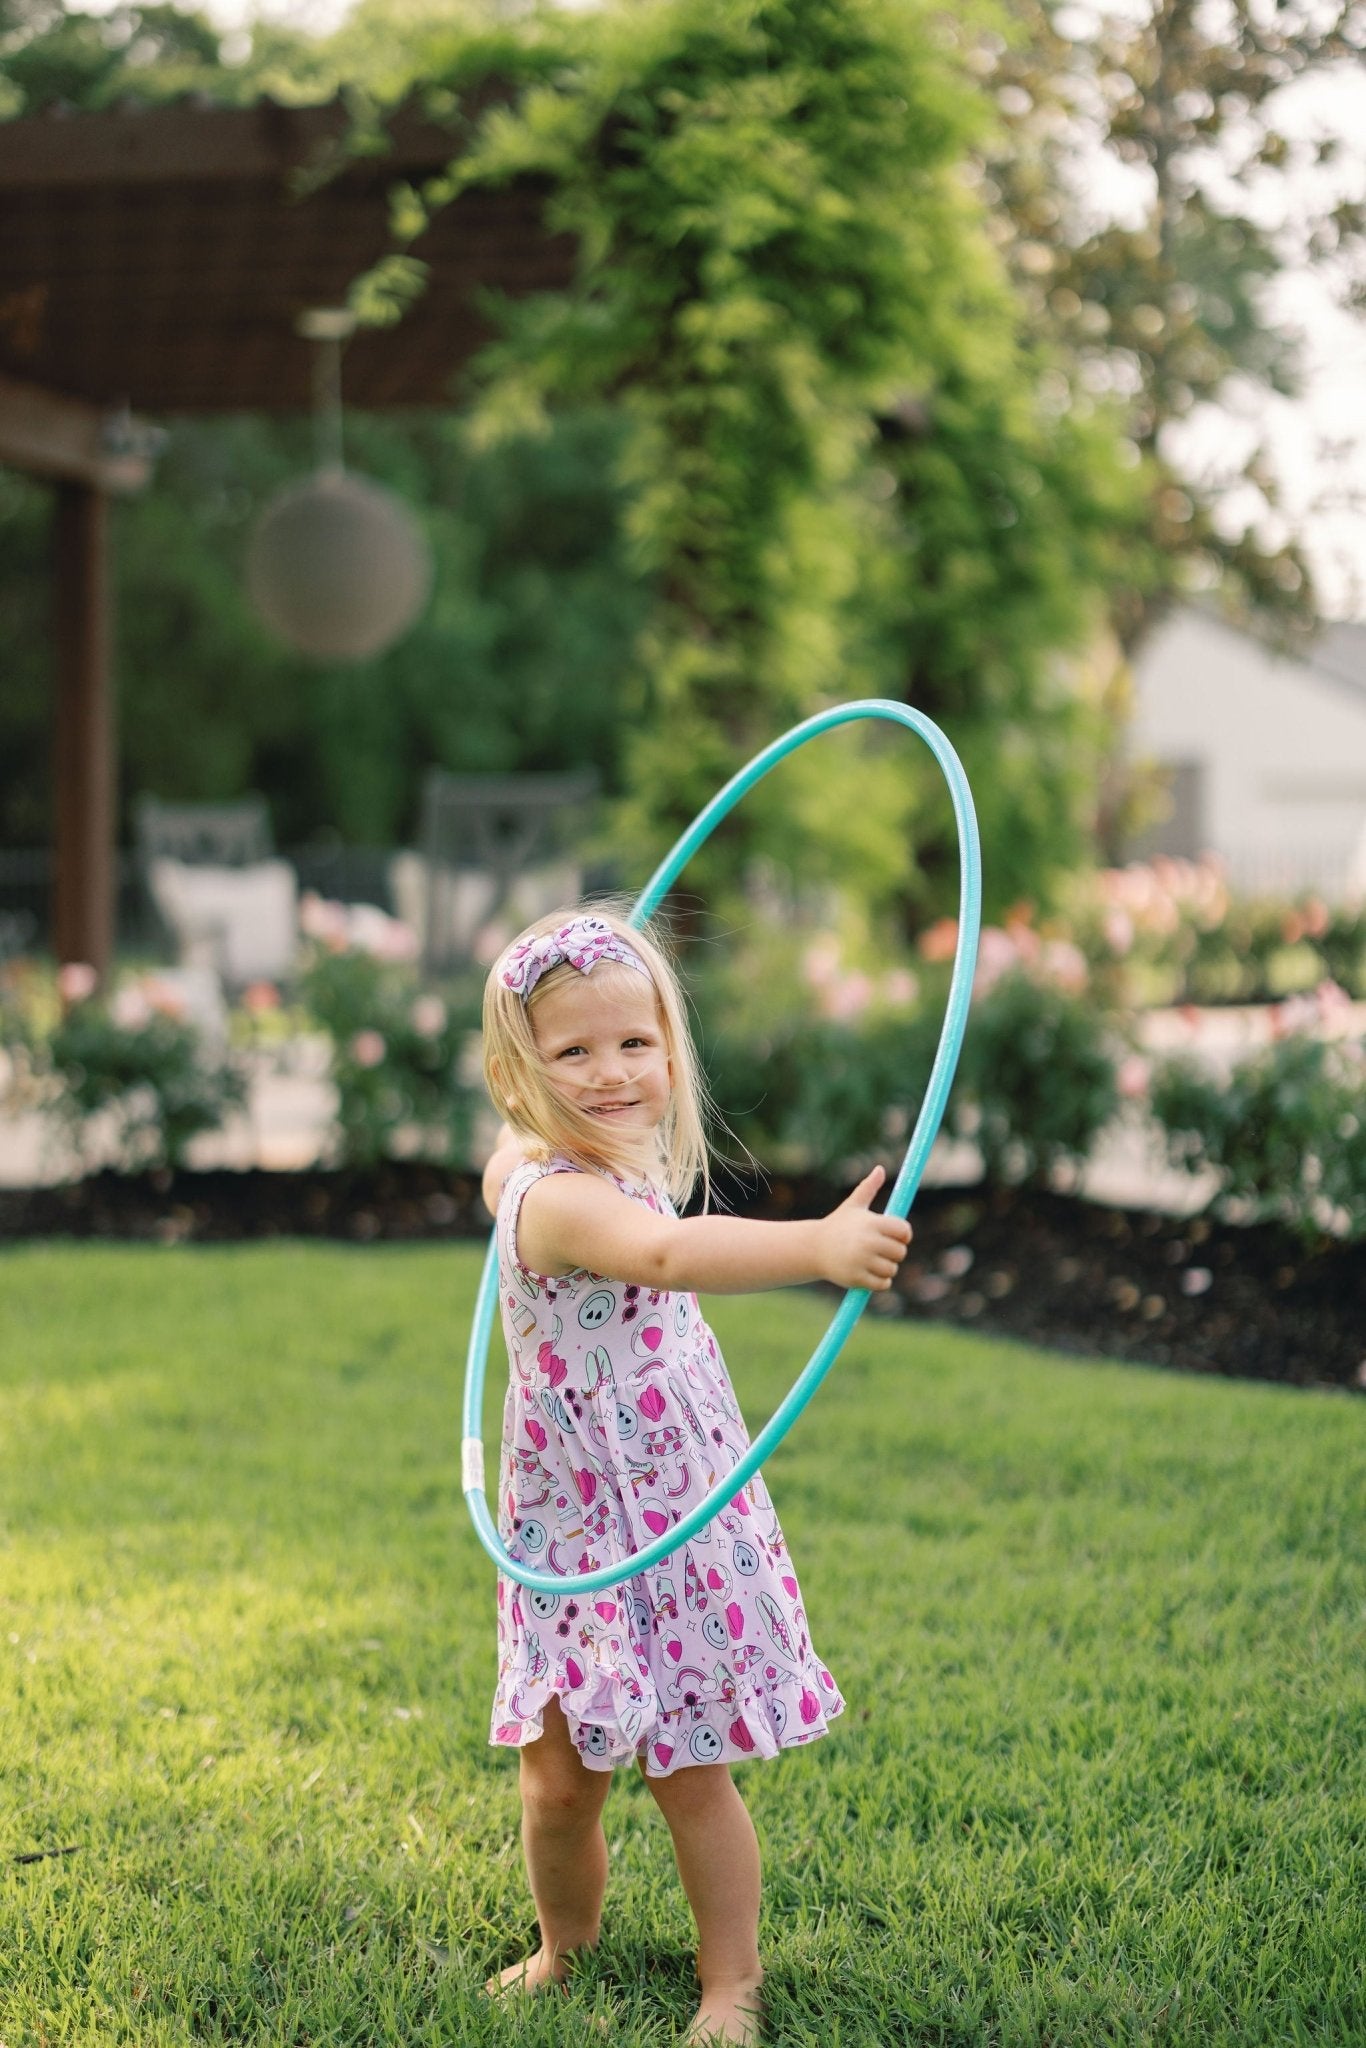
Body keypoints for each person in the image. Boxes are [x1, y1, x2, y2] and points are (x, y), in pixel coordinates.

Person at [478, 905, 911, 2045]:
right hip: (575, 1531)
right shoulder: (552, 1192)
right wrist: (814, 1246)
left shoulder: (599, 1163)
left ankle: (731, 1982)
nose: (611, 1071)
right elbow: (668, 1256)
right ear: (519, 1071)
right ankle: (564, 1942)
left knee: (688, 1771)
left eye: (635, 1042)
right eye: (571, 1050)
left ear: (672, 1046)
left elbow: (659, 1238)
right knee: (556, 1779)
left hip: (673, 1513)